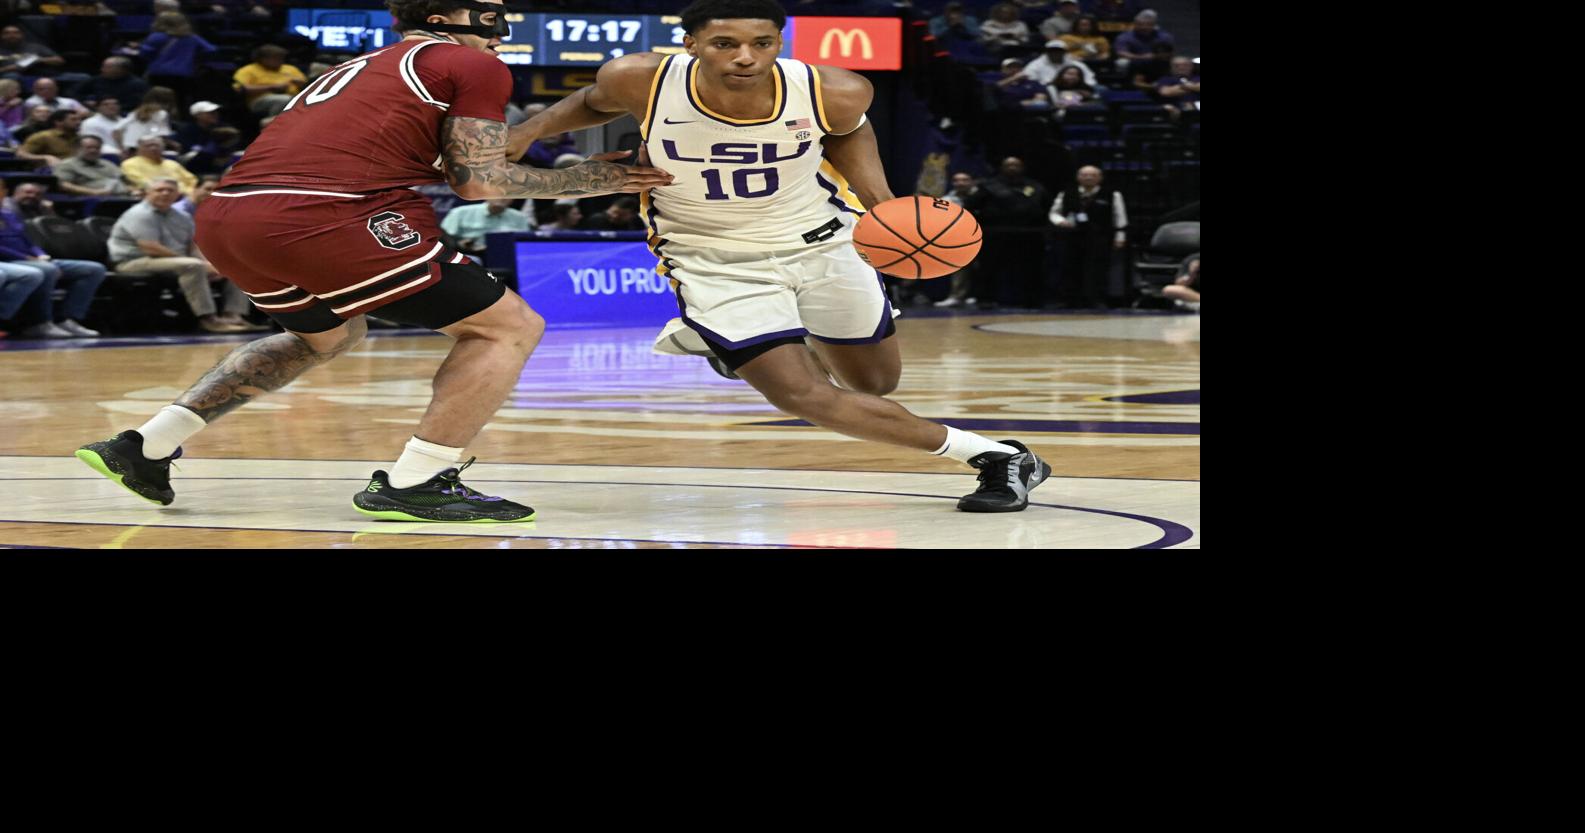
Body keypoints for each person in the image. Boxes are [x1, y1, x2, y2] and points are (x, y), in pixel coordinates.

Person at [78, 0, 673, 522]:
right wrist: (597, 177)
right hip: (325, 213)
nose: (503, 26)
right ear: (443, 19)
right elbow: (480, 183)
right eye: (491, 13)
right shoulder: (471, 62)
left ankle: (145, 445)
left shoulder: (360, 66)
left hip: (229, 214)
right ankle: (418, 482)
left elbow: (431, 159)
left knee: (323, 339)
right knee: (508, 327)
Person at [510, 0, 1052, 512]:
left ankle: (738, 344)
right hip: (709, 255)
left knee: (873, 384)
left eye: (761, 43)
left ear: (778, 43)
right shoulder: (638, 77)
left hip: (823, 239)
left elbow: (848, 131)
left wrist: (881, 203)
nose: (745, 57)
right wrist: (531, 128)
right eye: (724, 43)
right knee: (803, 395)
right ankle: (1000, 457)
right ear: (690, 43)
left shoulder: (834, 90)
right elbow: (589, 102)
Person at [108, 177, 258, 333]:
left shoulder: (182, 216)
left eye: (170, 190)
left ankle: (233, 316)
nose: (165, 193)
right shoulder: (139, 214)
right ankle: (208, 319)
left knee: (229, 267)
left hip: (174, 261)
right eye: (159, 190)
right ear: (147, 193)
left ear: (177, 194)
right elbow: (150, 248)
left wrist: (211, 265)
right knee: (192, 265)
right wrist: (197, 262)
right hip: (134, 262)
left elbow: (192, 247)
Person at [0, 178, 107, 338]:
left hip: (32, 259)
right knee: (47, 270)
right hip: (10, 260)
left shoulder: (8, 215)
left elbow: (28, 240)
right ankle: (40, 322)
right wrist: (28, 258)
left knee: (94, 269)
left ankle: (68, 319)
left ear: (5, 192)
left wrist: (41, 254)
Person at [964, 156, 1050, 310]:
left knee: (1030, 268)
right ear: (1002, 168)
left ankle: (1032, 300)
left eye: (1016, 165)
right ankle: (985, 299)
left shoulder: (1034, 186)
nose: (1012, 168)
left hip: (1027, 235)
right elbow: (970, 205)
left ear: (1022, 167)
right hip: (996, 234)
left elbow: (1044, 207)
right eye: (1008, 165)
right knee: (988, 267)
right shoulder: (988, 186)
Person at [1049, 165, 1127, 308]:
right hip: (1072, 237)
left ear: (1100, 178)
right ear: (1078, 177)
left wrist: (1120, 237)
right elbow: (1054, 212)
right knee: (1070, 267)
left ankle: (1097, 299)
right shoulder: (1066, 193)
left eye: (1092, 175)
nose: (1088, 178)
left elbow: (1120, 217)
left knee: (1098, 269)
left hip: (1099, 237)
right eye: (1085, 175)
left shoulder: (1112, 194)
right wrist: (1060, 221)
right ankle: (1069, 300)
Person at [139, 12, 217, 106]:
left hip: (159, 74)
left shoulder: (156, 36)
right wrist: (194, 59)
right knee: (181, 101)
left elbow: (144, 54)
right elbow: (211, 50)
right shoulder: (193, 38)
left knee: (158, 101)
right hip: (184, 74)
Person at [934, 171, 982, 308]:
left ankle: (977, 296)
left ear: (972, 182)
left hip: (987, 237)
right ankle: (957, 296)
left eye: (965, 180)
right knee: (960, 269)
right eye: (957, 180)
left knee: (982, 268)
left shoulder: (983, 196)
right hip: (960, 239)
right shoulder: (947, 200)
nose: (960, 183)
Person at [231, 44, 307, 120]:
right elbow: (241, 88)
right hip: (260, 100)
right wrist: (272, 87)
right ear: (262, 59)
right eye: (276, 58)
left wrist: (301, 84)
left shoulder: (290, 68)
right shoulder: (248, 70)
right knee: (284, 100)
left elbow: (307, 85)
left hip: (294, 97)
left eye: (281, 58)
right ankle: (274, 125)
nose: (280, 61)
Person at [441, 197, 532, 255]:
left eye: (507, 194)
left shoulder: (519, 217)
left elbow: (525, 241)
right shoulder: (460, 213)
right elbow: (443, 239)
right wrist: (459, 244)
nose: (502, 198)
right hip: (469, 252)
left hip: (506, 254)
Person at [53, 135, 139, 196]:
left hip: (121, 196)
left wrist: (133, 189)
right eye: (89, 147)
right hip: (89, 199)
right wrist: (94, 192)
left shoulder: (107, 164)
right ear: (77, 149)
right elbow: (63, 185)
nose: (93, 150)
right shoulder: (67, 164)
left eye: (97, 148)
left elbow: (125, 181)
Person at [999, 40, 1096, 89]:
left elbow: (1090, 80)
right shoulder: (1035, 64)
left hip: (1076, 90)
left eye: (1059, 51)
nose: (1056, 53)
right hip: (1048, 91)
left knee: (1100, 89)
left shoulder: (1075, 63)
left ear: (1064, 52)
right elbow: (1031, 82)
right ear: (1047, 52)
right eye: (1052, 51)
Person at [121, 135, 199, 195]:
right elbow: (144, 183)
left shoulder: (172, 164)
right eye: (149, 146)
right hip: (159, 195)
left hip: (187, 195)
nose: (153, 148)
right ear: (139, 149)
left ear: (163, 148)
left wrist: (193, 191)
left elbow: (193, 180)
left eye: (156, 145)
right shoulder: (130, 164)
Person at [115, 87, 178, 153]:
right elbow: (160, 136)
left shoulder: (135, 112)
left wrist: (121, 148)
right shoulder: (161, 114)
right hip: (146, 150)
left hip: (130, 148)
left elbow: (116, 130)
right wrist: (172, 144)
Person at [15, 108, 84, 168]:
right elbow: (21, 154)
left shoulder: (80, 138)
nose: (78, 122)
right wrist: (45, 157)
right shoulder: (43, 136)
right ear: (58, 122)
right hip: (50, 171)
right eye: (73, 120)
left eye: (79, 119)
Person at [75, 57, 149, 110]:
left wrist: (109, 107)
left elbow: (135, 104)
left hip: (123, 113)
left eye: (107, 67)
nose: (102, 69)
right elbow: (73, 92)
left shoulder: (138, 84)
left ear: (121, 69)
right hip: (95, 110)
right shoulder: (97, 79)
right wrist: (85, 101)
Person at [0, 25, 67, 77]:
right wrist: (6, 69)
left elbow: (59, 60)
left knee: (75, 77)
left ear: (22, 35)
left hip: (37, 75)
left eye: (16, 33)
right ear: (2, 36)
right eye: (7, 33)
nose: (12, 35)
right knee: (12, 75)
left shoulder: (35, 47)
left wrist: (37, 59)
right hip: (7, 76)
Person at [24, 78, 88, 116]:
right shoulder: (30, 103)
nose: (46, 91)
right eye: (41, 89)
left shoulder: (69, 101)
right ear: (35, 90)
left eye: (50, 88)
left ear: (56, 89)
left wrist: (82, 113)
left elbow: (85, 113)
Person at [577, 196, 644, 231]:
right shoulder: (598, 219)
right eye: (614, 212)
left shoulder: (635, 222)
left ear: (632, 215)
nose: (615, 216)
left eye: (621, 215)